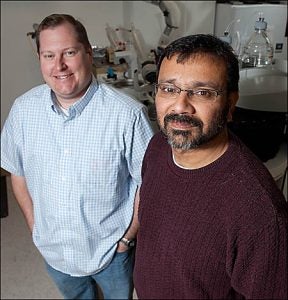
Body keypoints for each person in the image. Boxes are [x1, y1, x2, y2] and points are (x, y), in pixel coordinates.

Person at [1, 14, 154, 299]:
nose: (58, 66)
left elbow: (150, 183)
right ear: (40, 59)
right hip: (54, 252)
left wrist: (126, 238)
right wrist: (36, 228)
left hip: (112, 252)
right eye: (49, 55)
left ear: (88, 53)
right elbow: (16, 171)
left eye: (69, 52)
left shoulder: (127, 115)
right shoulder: (23, 112)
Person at [133, 34, 288, 299]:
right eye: (169, 89)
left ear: (230, 103)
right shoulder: (159, 146)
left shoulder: (260, 213)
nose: (180, 106)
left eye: (202, 92)